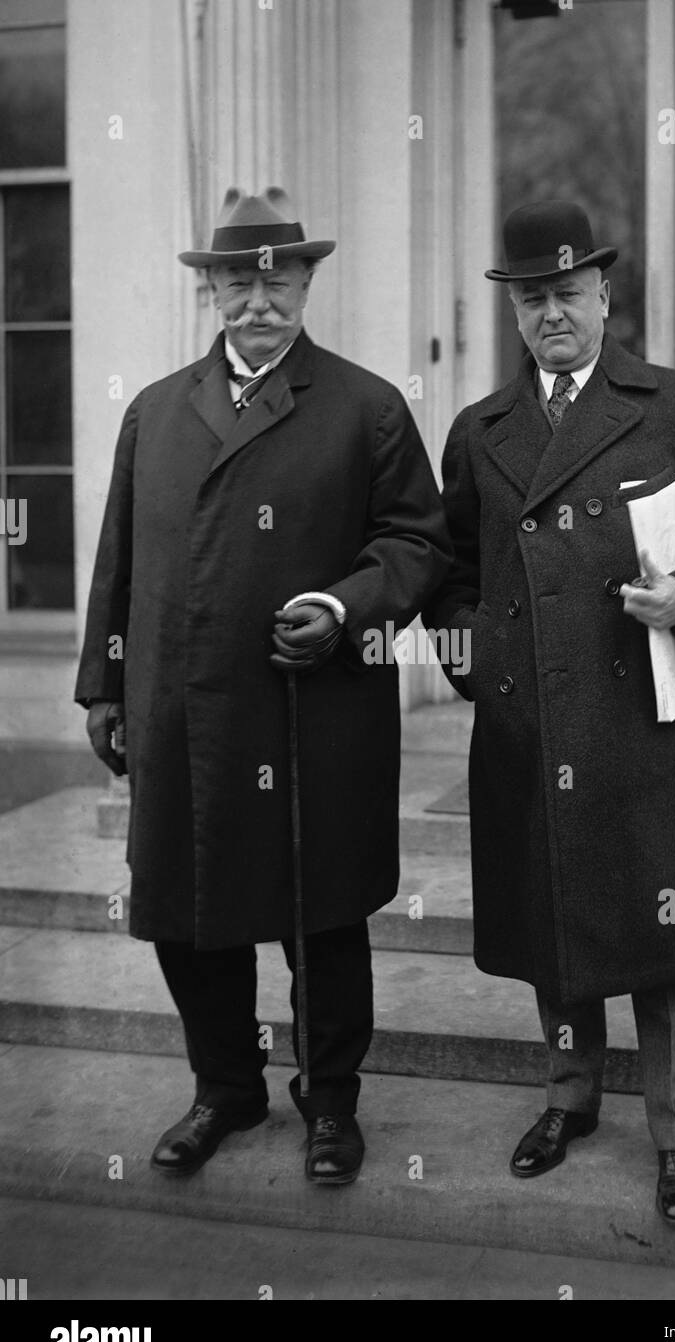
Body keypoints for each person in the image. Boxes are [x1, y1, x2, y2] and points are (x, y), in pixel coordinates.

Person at [76, 186, 451, 1184]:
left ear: (307, 283)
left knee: (319, 916)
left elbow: (418, 542)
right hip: (181, 706)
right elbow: (118, 563)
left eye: (278, 277)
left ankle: (330, 1103)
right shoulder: (155, 410)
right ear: (212, 289)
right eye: (239, 279)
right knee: (187, 908)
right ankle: (224, 1089)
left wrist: (343, 607)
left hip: (310, 710)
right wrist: (103, 687)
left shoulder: (367, 406)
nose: (259, 298)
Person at [423, 199, 675, 1227]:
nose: (552, 315)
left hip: (651, 719)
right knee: (554, 925)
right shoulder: (481, 432)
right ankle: (569, 1100)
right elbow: (446, 573)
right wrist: (480, 662)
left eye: (568, 293)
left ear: (604, 294)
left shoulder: (668, 404)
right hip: (533, 722)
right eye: (532, 299)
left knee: (662, 943)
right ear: (514, 312)